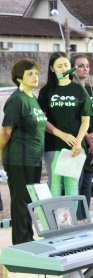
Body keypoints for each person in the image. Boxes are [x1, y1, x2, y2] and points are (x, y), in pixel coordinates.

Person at [0, 58, 47, 244]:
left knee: (30, 201)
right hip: (18, 159)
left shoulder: (32, 99)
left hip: (34, 160)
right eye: (30, 73)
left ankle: (28, 237)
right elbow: (5, 132)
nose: (35, 76)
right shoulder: (16, 100)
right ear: (19, 78)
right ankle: (21, 242)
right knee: (20, 202)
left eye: (36, 72)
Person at [38, 51, 93, 202]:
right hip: (53, 144)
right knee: (55, 184)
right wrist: (61, 134)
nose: (63, 68)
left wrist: (78, 142)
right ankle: (56, 224)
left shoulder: (80, 90)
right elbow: (41, 119)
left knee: (71, 185)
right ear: (52, 68)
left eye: (66, 65)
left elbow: (85, 121)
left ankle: (70, 224)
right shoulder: (46, 91)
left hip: (75, 146)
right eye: (59, 65)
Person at [70, 54, 93, 222]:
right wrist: (84, 136)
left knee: (88, 182)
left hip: (92, 143)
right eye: (81, 65)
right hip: (78, 141)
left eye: (87, 66)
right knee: (77, 181)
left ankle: (84, 217)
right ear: (72, 68)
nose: (85, 69)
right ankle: (74, 218)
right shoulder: (70, 90)